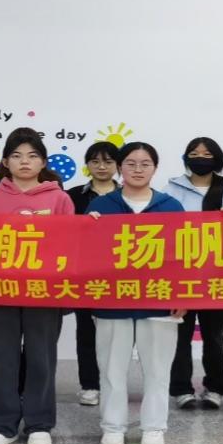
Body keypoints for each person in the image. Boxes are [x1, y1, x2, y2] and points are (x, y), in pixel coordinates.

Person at [0, 128, 74, 444]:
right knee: (0, 356)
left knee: (41, 357)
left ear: (43, 162)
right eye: (16, 156)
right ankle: (1, 425)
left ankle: (39, 424)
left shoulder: (59, 198)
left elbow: (70, 245)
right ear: (5, 162)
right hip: (0, 290)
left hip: (43, 290)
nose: (25, 162)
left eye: (32, 156)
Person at [86, 142, 185, 444]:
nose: (138, 169)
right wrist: (88, 229)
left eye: (145, 164)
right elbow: (85, 255)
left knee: (157, 370)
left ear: (155, 168)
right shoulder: (101, 206)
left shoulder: (171, 206)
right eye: (130, 163)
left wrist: (183, 293)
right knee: (111, 369)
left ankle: (153, 428)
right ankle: (112, 427)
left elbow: (185, 255)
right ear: (120, 167)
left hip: (159, 298)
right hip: (112, 300)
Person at [163, 136, 223, 409]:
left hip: (218, 273)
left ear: (217, 159)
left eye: (207, 154)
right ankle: (181, 388)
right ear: (186, 158)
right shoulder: (171, 188)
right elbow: (163, 229)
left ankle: (216, 387)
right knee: (180, 336)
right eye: (194, 153)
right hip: (182, 272)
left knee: (215, 335)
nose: (200, 158)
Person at [65, 140, 122, 407]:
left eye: (108, 162)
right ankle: (89, 384)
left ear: (117, 165)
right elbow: (63, 231)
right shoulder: (72, 195)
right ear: (87, 164)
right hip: (83, 272)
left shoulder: (128, 195)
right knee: (86, 330)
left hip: (119, 273)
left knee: (118, 332)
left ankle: (115, 383)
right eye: (95, 161)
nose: (101, 167)